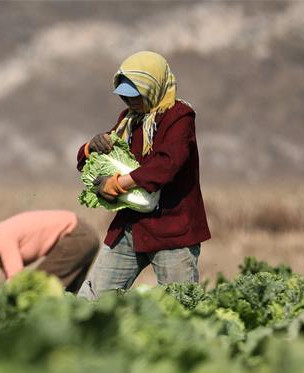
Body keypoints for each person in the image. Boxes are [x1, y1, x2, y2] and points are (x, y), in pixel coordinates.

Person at [75, 51, 210, 298]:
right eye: (125, 97)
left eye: (135, 96)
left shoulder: (179, 116)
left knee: (180, 305)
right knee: (93, 298)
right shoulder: (128, 120)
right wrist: (90, 147)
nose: (129, 103)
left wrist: (118, 184)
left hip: (172, 228)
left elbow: (166, 164)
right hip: (131, 226)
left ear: (153, 87)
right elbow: (88, 160)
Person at [0, 210, 100, 293]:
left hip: (78, 235)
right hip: (81, 237)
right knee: (71, 296)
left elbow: (17, 280)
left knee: (37, 285)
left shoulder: (2, 236)